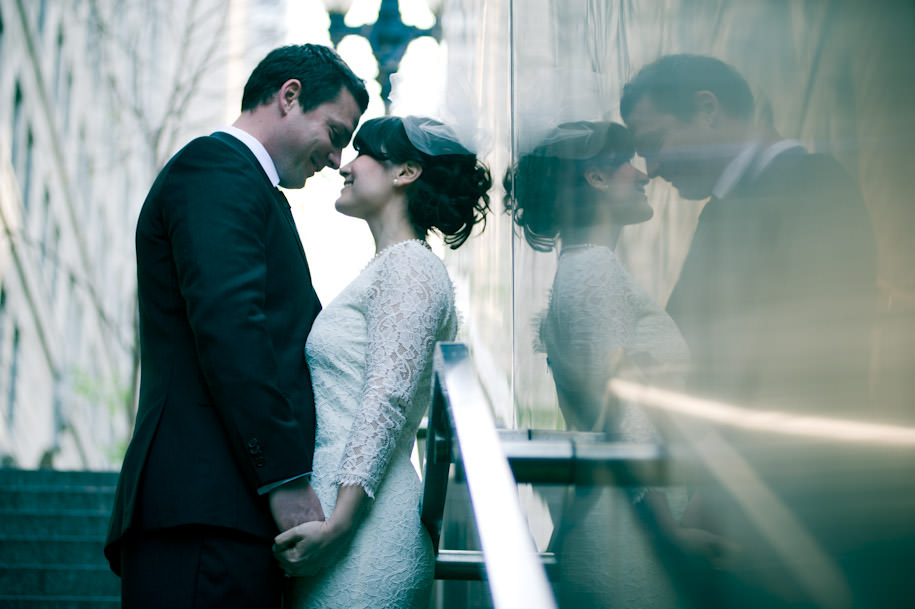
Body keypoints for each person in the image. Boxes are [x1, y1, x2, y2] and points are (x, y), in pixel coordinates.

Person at [104, 44, 368, 609]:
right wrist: (286, 480)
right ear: (289, 96)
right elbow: (233, 330)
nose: (334, 158)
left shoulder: (244, 183)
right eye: (335, 133)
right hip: (205, 513)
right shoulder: (218, 169)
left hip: (221, 515)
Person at [506, 121, 729, 608]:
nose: (642, 173)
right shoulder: (592, 270)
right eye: (626, 162)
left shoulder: (589, 268)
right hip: (630, 539)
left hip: (624, 524)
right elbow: (622, 413)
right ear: (596, 179)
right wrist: (671, 535)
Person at [272, 115, 491, 608]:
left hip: (362, 534)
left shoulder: (410, 267)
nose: (344, 165)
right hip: (341, 525)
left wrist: (339, 524)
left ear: (405, 173)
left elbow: (387, 398)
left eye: (363, 152)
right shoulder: (390, 268)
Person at [620, 53, 877, 415]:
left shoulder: (815, 188)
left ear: (707, 109)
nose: (654, 169)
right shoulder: (725, 206)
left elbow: (809, 366)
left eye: (656, 143)